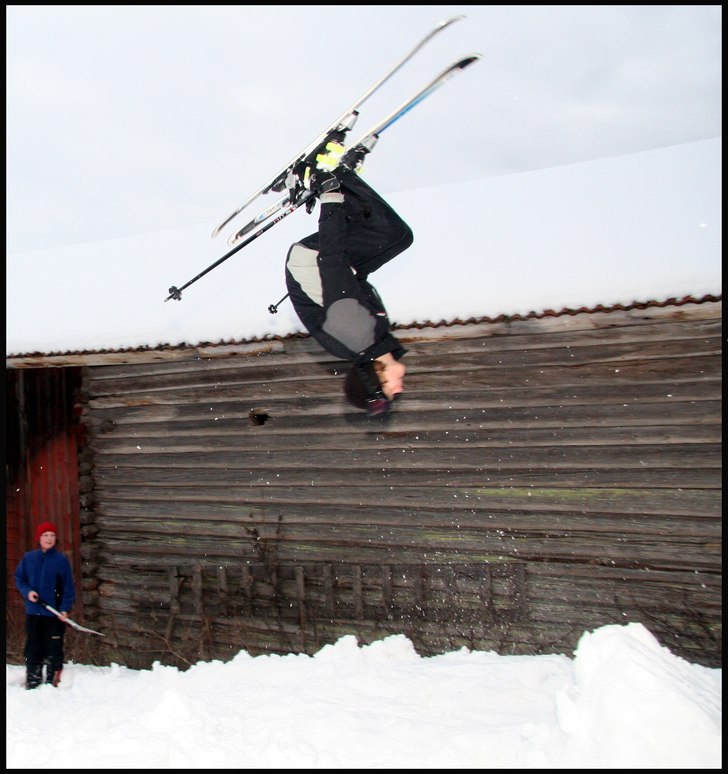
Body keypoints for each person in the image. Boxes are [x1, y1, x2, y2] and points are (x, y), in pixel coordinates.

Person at [285, 139, 414, 416]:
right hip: (334, 270)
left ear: (377, 377)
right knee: (396, 237)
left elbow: (332, 262)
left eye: (390, 391)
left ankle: (319, 176)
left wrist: (329, 196)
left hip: (313, 261)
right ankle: (342, 174)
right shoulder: (375, 339)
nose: (399, 390)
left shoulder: (357, 333)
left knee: (388, 235)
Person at [15, 521, 77, 689]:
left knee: (53, 648)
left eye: (52, 535)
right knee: (33, 647)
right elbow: (20, 579)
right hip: (33, 612)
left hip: (54, 613)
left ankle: (52, 681)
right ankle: (33, 680)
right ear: (39, 538)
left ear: (56, 539)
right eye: (45, 535)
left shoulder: (61, 560)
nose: (49, 538)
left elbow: (68, 588)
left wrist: (64, 608)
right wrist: (28, 592)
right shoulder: (29, 558)